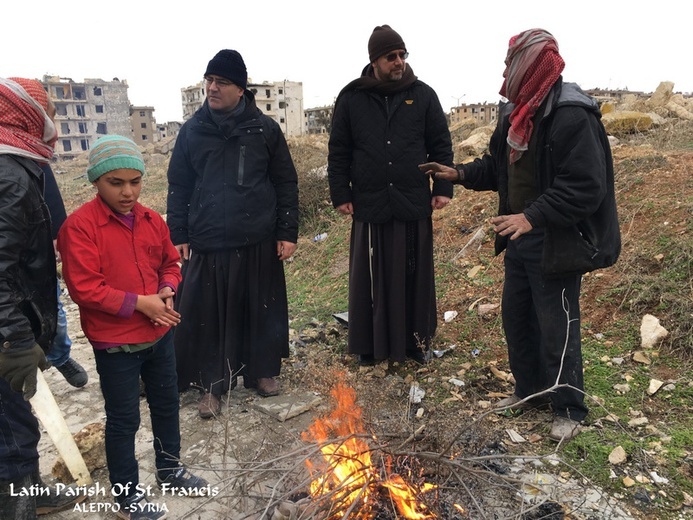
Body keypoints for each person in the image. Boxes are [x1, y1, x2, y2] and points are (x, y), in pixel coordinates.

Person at [419, 28, 621, 442]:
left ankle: (569, 407)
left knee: (557, 325)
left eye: (511, 62)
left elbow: (585, 185)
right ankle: (530, 392)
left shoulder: (570, 114)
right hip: (520, 238)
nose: (504, 69)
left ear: (531, 66)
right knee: (518, 320)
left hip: (557, 240)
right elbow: (499, 168)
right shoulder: (517, 113)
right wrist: (457, 174)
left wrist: (531, 217)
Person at [58, 135, 209, 518]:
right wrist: (141, 304)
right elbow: (86, 289)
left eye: (135, 181)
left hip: (159, 335)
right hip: (116, 344)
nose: (128, 192)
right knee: (124, 420)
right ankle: (127, 497)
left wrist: (166, 289)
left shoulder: (151, 220)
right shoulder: (79, 227)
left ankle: (170, 470)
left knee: (166, 405)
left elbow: (169, 263)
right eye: (116, 182)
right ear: (95, 181)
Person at [166, 49, 299, 418]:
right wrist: (178, 230)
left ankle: (262, 373)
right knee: (209, 317)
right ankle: (212, 386)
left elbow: (285, 181)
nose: (212, 88)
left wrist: (287, 230)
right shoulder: (192, 131)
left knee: (260, 311)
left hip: (257, 237)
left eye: (221, 82)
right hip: (209, 239)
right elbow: (178, 184)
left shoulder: (265, 130)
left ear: (240, 89)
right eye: (209, 80)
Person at [327, 25, 454, 366]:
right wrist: (341, 193)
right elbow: (338, 151)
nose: (398, 62)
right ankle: (371, 347)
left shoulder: (423, 95)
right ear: (375, 61)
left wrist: (442, 187)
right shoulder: (352, 97)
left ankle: (415, 344)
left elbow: (441, 143)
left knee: (415, 277)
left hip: (412, 202)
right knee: (371, 278)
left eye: (402, 55)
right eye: (391, 56)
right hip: (371, 204)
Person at [0, 77, 85, 519]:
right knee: (11, 429)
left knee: (16, 420)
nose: (52, 120)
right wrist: (15, 339)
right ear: (27, 114)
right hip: (3, 331)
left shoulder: (18, 163)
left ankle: (31, 488)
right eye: (46, 111)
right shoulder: (11, 175)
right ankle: (18, 505)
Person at [42, 162, 88, 388]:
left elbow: (46, 184)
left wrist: (56, 232)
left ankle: (59, 356)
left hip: (31, 238)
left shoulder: (22, 146)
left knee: (51, 308)